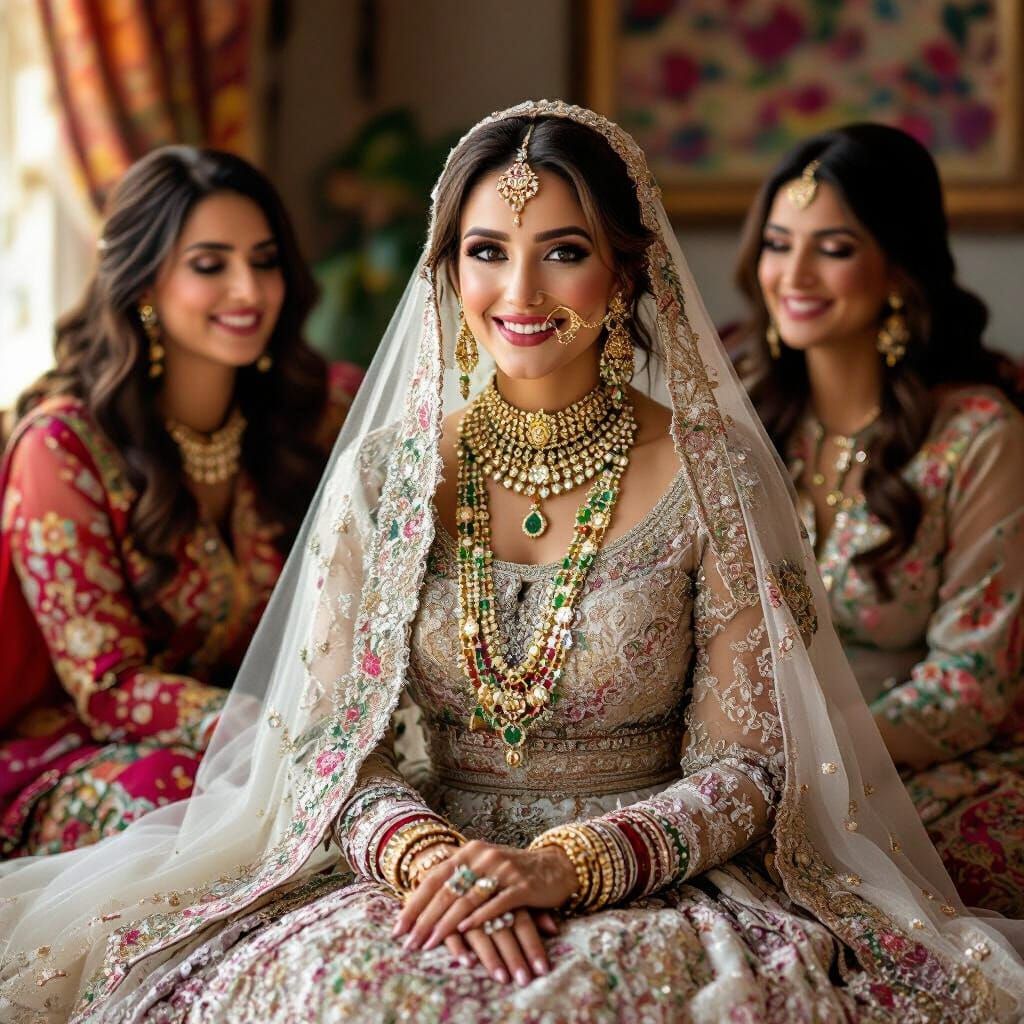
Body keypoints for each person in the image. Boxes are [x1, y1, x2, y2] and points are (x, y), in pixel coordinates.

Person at [2, 102, 1022, 1024]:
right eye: (486, 251)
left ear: (627, 273)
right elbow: (330, 746)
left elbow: (750, 769)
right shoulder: (389, 474)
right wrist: (429, 857)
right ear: (448, 270)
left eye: (563, 251)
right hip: (419, 872)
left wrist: (565, 867)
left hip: (650, 875)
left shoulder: (713, 475)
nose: (520, 291)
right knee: (350, 997)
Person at [0, 146, 353, 858]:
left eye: (264, 261)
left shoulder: (309, 417)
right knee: (183, 797)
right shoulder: (64, 448)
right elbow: (107, 686)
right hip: (85, 752)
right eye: (209, 265)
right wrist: (270, 729)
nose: (248, 290)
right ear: (143, 281)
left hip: (265, 742)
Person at [735, 123, 1024, 917]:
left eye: (832, 248)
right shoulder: (741, 422)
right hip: (751, 761)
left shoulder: (977, 437)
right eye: (778, 244)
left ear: (899, 265)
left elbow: (972, 681)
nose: (793, 275)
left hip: (928, 768)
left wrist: (821, 756)